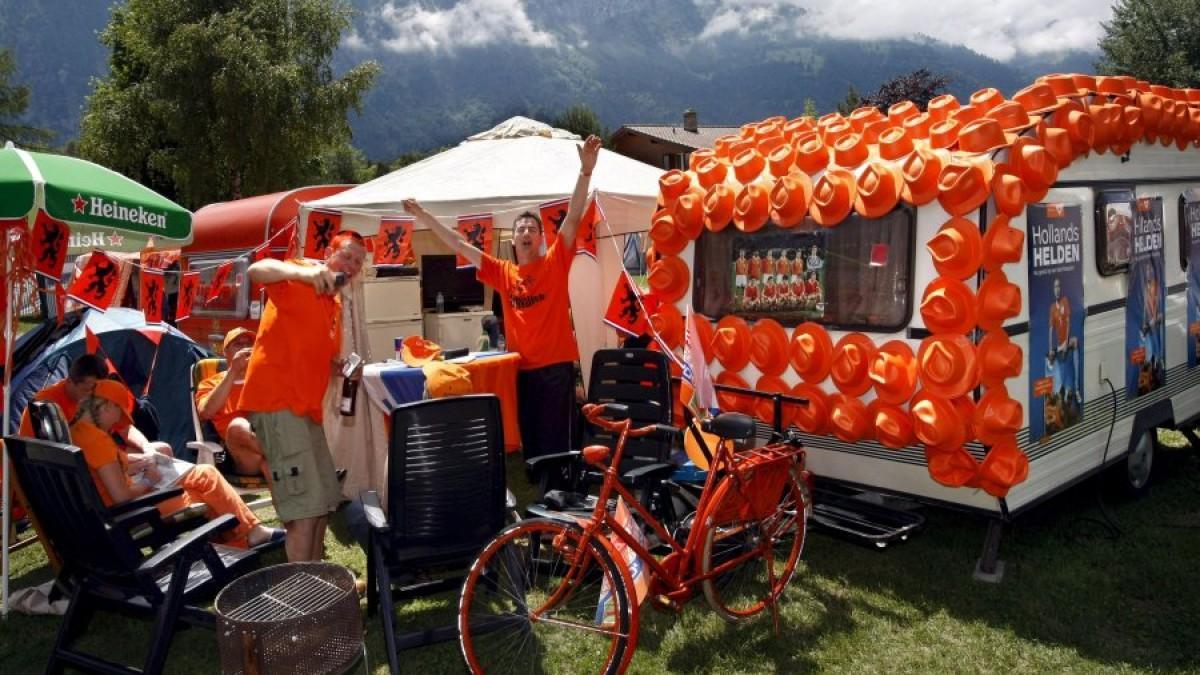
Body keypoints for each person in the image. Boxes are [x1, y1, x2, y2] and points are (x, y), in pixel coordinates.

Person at [403, 134, 602, 462]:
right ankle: (541, 497)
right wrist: (422, 215)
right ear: (514, 241)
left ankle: (564, 496)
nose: (525, 233)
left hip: (556, 368)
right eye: (520, 229)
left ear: (540, 239)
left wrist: (585, 172)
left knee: (560, 441)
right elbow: (458, 243)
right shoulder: (503, 272)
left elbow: (572, 217)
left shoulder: (554, 262)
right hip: (521, 369)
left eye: (531, 229)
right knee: (532, 439)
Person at [238, 230, 366, 562]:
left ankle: (317, 580)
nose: (352, 265)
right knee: (303, 511)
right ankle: (305, 600)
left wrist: (338, 368)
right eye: (347, 256)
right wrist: (304, 271)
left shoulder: (333, 302)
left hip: (306, 410)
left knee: (323, 501)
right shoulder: (300, 276)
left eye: (358, 262)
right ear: (328, 253)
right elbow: (256, 270)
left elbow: (311, 349)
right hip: (278, 403)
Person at [70, 379, 281, 548]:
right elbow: (121, 496)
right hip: (130, 513)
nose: (118, 422)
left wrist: (138, 464)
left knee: (205, 475)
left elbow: (106, 470)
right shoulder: (98, 440)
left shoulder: (79, 432)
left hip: (108, 513)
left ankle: (241, 538)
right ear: (107, 406)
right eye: (119, 414)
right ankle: (247, 536)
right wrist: (147, 481)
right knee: (205, 489)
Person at [19, 353, 174, 470]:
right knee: (151, 466)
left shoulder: (94, 399)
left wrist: (147, 448)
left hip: (99, 454)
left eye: (97, 391)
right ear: (70, 382)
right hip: (80, 465)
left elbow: (124, 427)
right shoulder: (46, 406)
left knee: (162, 450)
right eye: (87, 390)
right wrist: (134, 463)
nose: (93, 397)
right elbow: (74, 458)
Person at [195, 327, 268, 480]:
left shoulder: (264, 377)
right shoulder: (211, 382)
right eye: (237, 344)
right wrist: (233, 371)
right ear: (225, 352)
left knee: (266, 464)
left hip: (260, 451)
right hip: (234, 454)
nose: (244, 347)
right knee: (238, 426)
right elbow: (206, 412)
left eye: (249, 343)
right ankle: (287, 456)